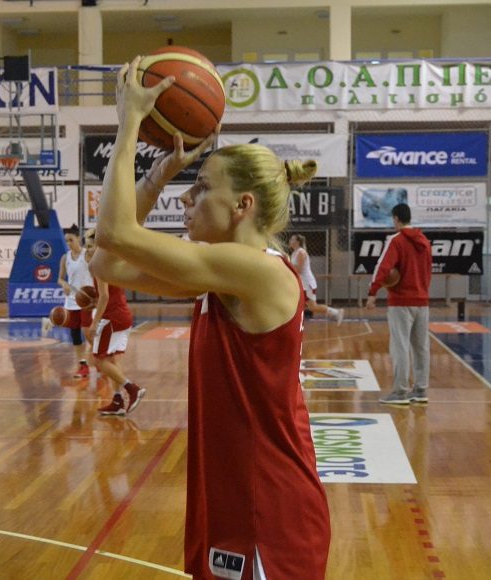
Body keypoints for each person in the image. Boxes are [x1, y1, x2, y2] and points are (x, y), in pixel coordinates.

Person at [88, 57, 330, 579]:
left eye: (201, 188)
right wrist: (158, 173)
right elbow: (105, 261)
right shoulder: (222, 277)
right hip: (229, 496)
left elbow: (113, 233)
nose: (187, 196)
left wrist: (129, 124)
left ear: (242, 205)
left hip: (266, 509)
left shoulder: (257, 272)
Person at [365, 203, 432, 405]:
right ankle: (420, 389)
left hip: (401, 302)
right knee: (421, 347)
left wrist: (372, 292)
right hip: (422, 301)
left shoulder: (397, 240)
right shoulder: (425, 241)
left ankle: (400, 392)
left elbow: (383, 267)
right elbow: (428, 271)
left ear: (396, 218)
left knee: (400, 346)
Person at [82, 229, 145, 416]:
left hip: (112, 318)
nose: (87, 250)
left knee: (98, 360)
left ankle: (132, 389)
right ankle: (117, 401)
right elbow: (109, 294)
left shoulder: (99, 265)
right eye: (86, 245)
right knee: (112, 360)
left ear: (99, 247)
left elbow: (105, 297)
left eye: (90, 246)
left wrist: (95, 322)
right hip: (123, 314)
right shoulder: (112, 261)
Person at [52, 224, 94, 379]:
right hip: (71, 301)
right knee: (75, 335)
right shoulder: (65, 257)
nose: (68, 243)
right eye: (66, 241)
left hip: (87, 300)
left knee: (87, 331)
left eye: (71, 239)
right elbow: (60, 278)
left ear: (78, 238)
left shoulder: (87, 255)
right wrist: (64, 284)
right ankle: (83, 366)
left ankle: (101, 357)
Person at [288, 233, 344, 324]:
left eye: (292, 239)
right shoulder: (294, 253)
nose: (290, 241)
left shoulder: (301, 252)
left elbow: (299, 270)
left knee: (312, 307)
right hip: (301, 284)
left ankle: (336, 312)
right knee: (298, 303)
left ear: (297, 242)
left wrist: (287, 264)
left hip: (307, 284)